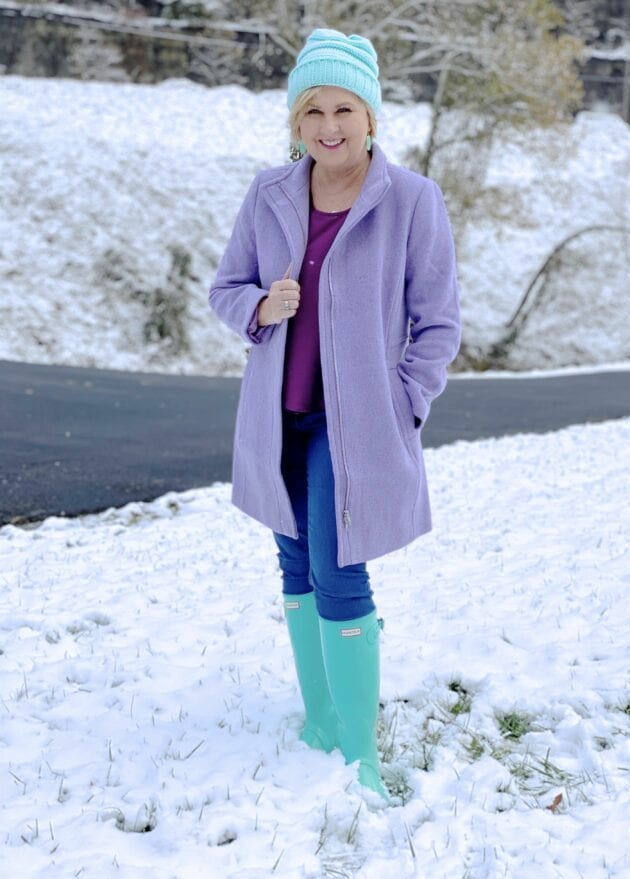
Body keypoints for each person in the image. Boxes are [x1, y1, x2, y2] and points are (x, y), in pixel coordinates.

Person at [208, 28, 461, 802]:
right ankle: (320, 719)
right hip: (279, 414)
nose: (328, 125)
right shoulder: (269, 194)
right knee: (294, 565)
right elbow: (225, 289)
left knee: (339, 569)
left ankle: (360, 755)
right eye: (312, 109)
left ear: (371, 115)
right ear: (296, 120)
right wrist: (260, 304)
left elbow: (438, 323)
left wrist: (404, 402)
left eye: (343, 108)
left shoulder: (411, 200)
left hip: (354, 429)